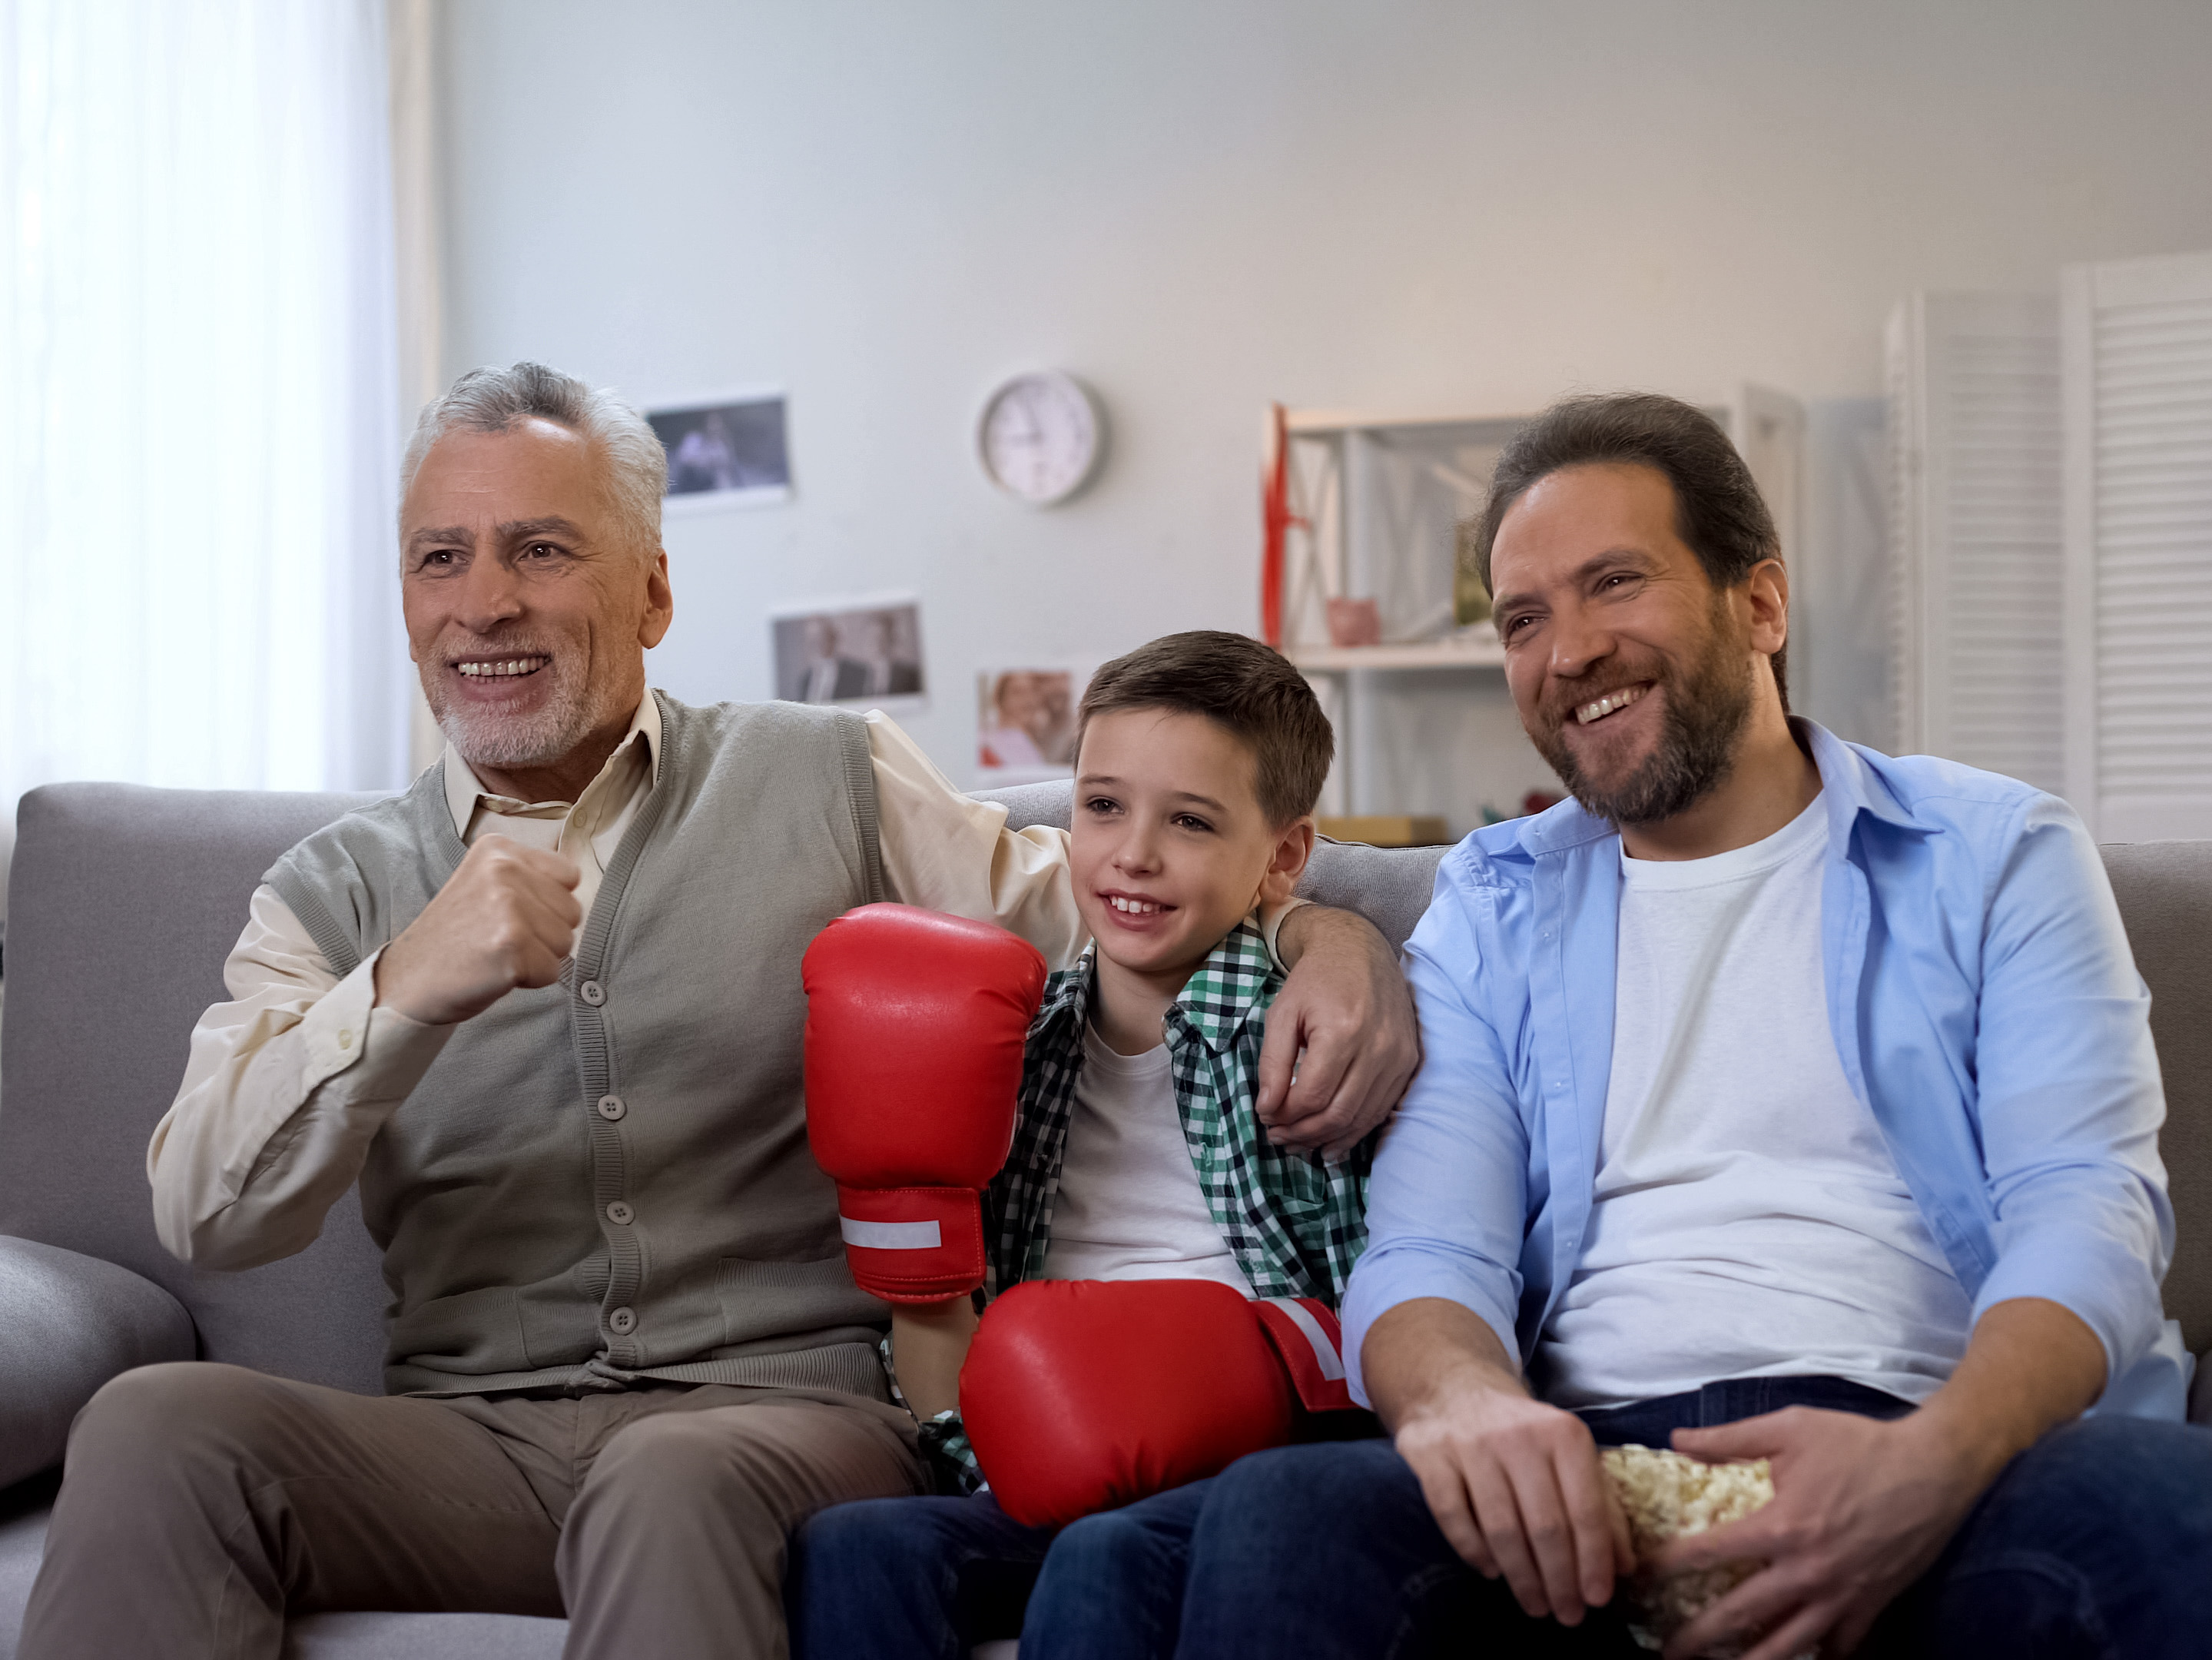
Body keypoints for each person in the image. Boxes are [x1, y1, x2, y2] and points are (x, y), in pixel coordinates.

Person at [15, 364, 1419, 1660]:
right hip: (465, 1442)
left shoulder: (832, 773)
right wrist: (398, 993)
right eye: (440, 556)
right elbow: (206, 1210)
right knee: (156, 1427)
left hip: (786, 1421)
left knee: (665, 1472)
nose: (482, 601)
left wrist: (1327, 926)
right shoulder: (331, 892)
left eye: (541, 549)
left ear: (652, 595)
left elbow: (1119, 900)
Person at [1178, 393, 2212, 1660]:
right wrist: (1466, 1409)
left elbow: (2089, 1211)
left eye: (1616, 583)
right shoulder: (1490, 912)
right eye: (1523, 619)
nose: (1568, 653)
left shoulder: (1992, 853)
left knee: (2166, 1506)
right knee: (1287, 1518)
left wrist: (1935, 1463)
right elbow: (1432, 1253)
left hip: (1942, 1445)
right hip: (1589, 1468)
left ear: (1761, 605)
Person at [790, 631, 1372, 1660]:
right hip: (1048, 1458)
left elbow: (1393, 1298)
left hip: (1258, 1467)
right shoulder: (1010, 1051)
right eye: (1101, 806)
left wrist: (1265, 1378)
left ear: (1282, 856)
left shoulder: (1310, 1036)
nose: (1132, 854)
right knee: (856, 1547)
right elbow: (949, 1365)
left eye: (1190, 821)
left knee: (1106, 1555)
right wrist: (918, 1264)